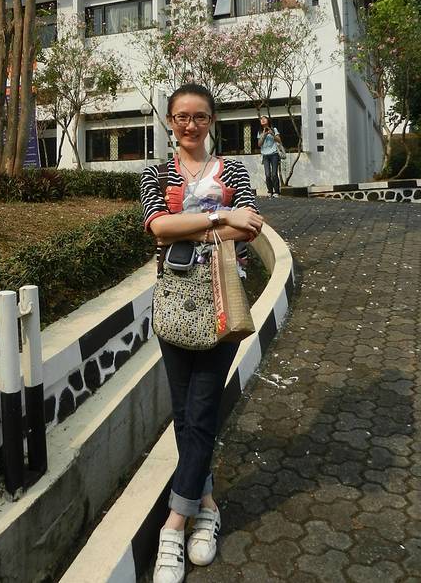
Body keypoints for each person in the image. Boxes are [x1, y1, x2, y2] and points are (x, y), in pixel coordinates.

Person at [140, 83, 263, 583]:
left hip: (220, 302)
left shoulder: (234, 170)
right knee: (184, 413)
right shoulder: (156, 173)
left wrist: (190, 223)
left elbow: (250, 226)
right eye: (181, 117)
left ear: (212, 121)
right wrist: (219, 216)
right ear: (170, 121)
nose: (190, 125)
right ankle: (206, 504)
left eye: (200, 116)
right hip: (173, 302)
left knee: (203, 408)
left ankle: (174, 523)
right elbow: (157, 227)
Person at [257, 113, 282, 197]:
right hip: (265, 155)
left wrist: (272, 134)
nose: (263, 120)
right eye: (261, 119)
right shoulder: (260, 132)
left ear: (268, 120)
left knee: (274, 174)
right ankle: (270, 191)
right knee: (267, 175)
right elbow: (259, 144)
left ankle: (277, 192)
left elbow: (279, 140)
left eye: (264, 118)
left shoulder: (274, 129)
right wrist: (264, 135)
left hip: (274, 154)